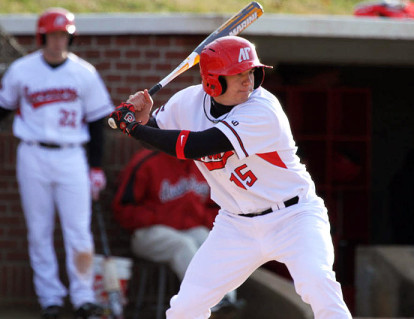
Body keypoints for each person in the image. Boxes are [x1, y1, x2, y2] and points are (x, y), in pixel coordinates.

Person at [109, 35, 352, 319]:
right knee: (186, 306)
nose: (248, 81)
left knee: (318, 284)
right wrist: (139, 119)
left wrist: (134, 129)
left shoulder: (263, 108)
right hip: (236, 224)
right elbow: (156, 133)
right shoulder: (188, 101)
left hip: (294, 216)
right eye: (238, 75)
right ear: (212, 81)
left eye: (251, 72)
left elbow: (194, 146)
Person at [0, 7, 114, 319]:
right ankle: (49, 298)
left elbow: (96, 124)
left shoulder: (84, 72)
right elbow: (4, 108)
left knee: (78, 230)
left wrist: (96, 167)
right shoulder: (22, 70)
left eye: (63, 35)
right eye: (52, 35)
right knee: (39, 230)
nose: (58, 41)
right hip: (32, 153)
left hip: (72, 155)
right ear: (42, 36)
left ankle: (83, 297)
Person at [111, 148, 243, 315]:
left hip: (188, 229)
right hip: (148, 233)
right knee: (183, 244)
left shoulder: (204, 163)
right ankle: (209, 301)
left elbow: (218, 209)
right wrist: (160, 215)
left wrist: (199, 217)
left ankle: (226, 301)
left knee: (210, 240)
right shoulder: (147, 160)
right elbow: (123, 209)